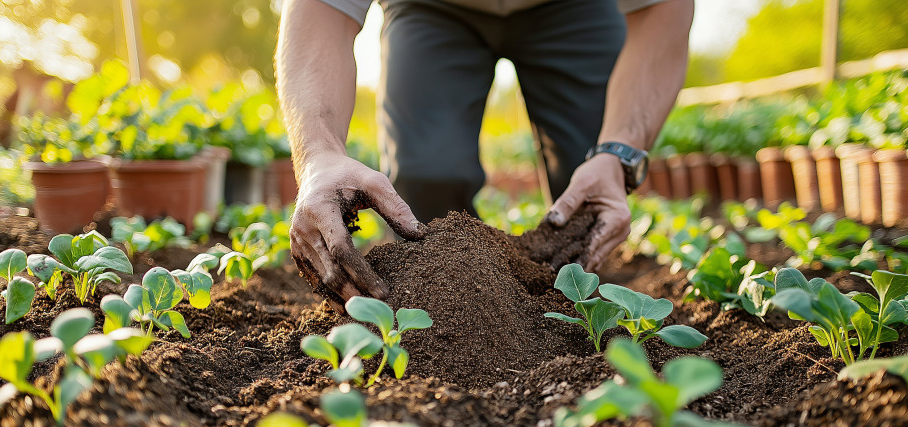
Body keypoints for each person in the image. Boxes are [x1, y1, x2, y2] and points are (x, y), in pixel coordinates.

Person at [276, 0, 693, 306]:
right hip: (434, 8)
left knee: (586, 185)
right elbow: (319, 13)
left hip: (574, 9)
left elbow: (663, 12)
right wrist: (319, 155)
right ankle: (460, 302)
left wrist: (616, 151)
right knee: (427, 176)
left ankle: (566, 302)